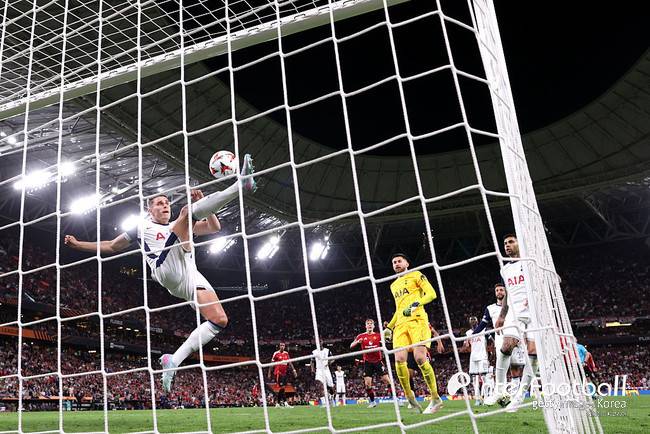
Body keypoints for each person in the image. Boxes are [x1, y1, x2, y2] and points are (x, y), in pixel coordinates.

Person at [64, 155, 257, 393]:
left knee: (219, 320)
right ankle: (241, 185)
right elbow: (112, 246)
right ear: (149, 209)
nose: (165, 206)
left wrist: (203, 202)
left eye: (167, 203)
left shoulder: (178, 225)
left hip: (189, 273)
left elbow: (213, 227)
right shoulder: (142, 226)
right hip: (165, 268)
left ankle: (173, 359)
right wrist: (79, 244)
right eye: (159, 203)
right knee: (187, 212)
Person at [383, 253, 443, 414]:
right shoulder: (393, 285)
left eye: (399, 261)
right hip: (400, 325)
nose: (396, 264)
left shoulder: (417, 275)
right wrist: (389, 327)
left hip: (418, 321)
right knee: (399, 359)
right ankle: (410, 397)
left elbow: (431, 294)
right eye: (394, 262)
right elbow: (399, 309)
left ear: (407, 263)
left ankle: (435, 398)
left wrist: (416, 304)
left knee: (419, 357)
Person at [485, 234, 538, 411]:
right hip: (516, 312)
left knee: (533, 353)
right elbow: (507, 293)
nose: (507, 245)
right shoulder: (505, 270)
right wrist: (501, 315)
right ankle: (499, 390)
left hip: (536, 312)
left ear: (519, 243)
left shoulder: (530, 262)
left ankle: (520, 396)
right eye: (505, 243)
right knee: (506, 346)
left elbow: (549, 279)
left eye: (511, 242)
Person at [472, 283, 526, 400]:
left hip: (515, 338)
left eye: (501, 290)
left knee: (515, 366)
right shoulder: (490, 308)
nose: (499, 292)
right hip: (500, 341)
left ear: (505, 292)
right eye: (497, 290)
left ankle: (514, 394)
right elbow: (482, 324)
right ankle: (502, 394)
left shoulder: (513, 306)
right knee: (502, 368)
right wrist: (472, 335)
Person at [350, 318, 390, 408]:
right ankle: (372, 402)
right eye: (368, 323)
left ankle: (397, 399)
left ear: (374, 326)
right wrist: (357, 342)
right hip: (367, 362)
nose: (369, 325)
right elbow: (351, 346)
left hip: (378, 361)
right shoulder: (361, 336)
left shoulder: (378, 335)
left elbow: (388, 341)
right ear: (365, 326)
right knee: (367, 384)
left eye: (371, 323)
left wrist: (385, 341)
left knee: (387, 380)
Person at [404, 323, 444, 408]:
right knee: (408, 374)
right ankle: (412, 398)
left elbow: (434, 332)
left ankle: (436, 396)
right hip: (410, 352)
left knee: (428, 372)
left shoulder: (423, 321)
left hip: (421, 350)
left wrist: (439, 343)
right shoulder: (405, 321)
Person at [462, 316, 489, 406]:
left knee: (484, 378)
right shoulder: (468, 333)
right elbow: (466, 346)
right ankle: (478, 399)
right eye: (471, 320)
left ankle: (486, 398)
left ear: (478, 321)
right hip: (473, 357)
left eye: (474, 320)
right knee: (474, 379)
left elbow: (489, 340)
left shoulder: (483, 329)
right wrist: (466, 343)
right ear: (469, 322)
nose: (473, 321)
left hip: (482, 356)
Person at [268, 342, 297, 408]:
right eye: (281, 345)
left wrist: (294, 370)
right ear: (279, 346)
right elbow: (271, 363)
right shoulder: (276, 353)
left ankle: (278, 403)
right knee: (282, 387)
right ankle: (285, 403)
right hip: (278, 373)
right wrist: (269, 373)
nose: (282, 346)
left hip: (284, 373)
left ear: (284, 346)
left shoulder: (286, 353)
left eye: (283, 345)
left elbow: (290, 362)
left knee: (282, 388)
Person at [311, 342, 335, 407]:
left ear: (322, 342)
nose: (319, 343)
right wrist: (312, 370)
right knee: (319, 386)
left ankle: (331, 397)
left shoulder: (327, 350)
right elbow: (312, 361)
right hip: (319, 370)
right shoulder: (314, 352)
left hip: (326, 370)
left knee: (331, 387)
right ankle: (324, 403)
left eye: (320, 341)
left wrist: (328, 363)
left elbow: (333, 359)